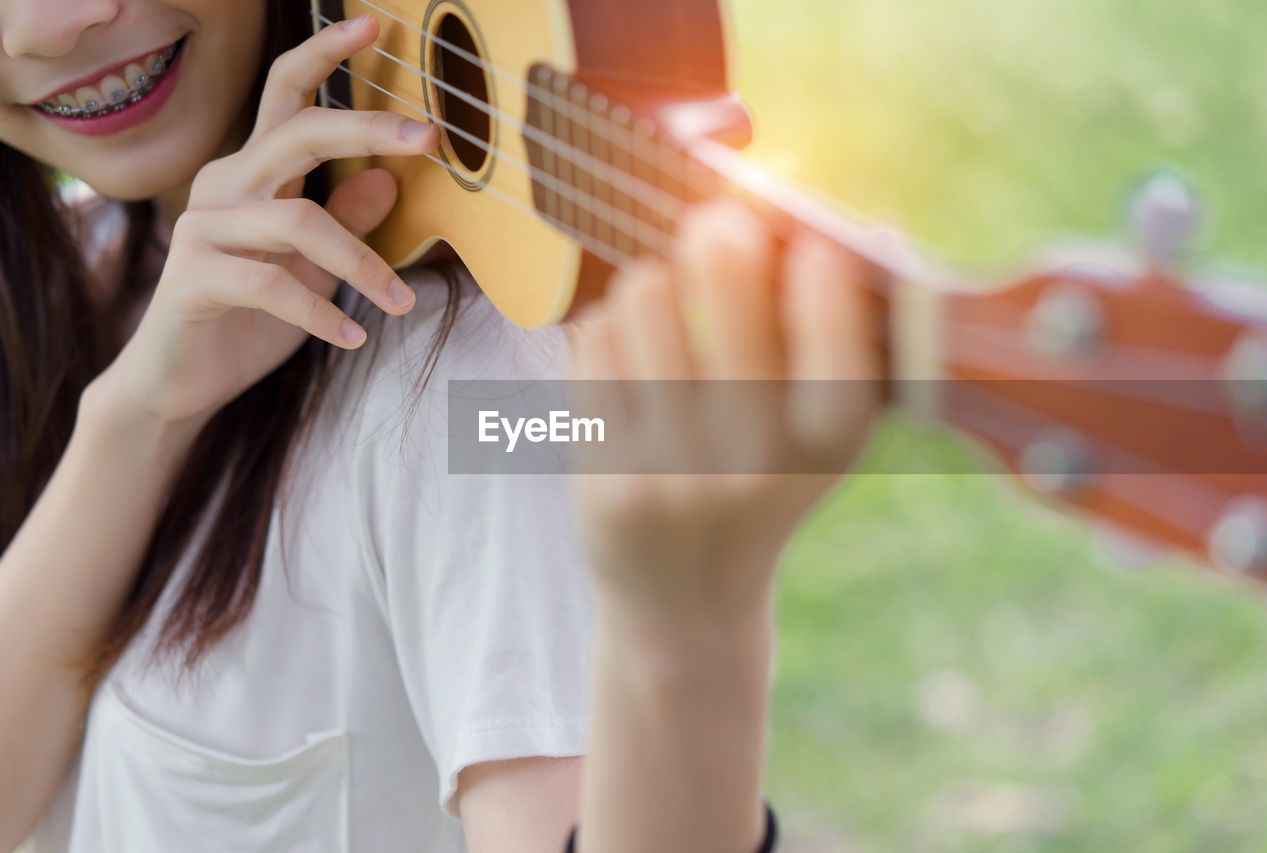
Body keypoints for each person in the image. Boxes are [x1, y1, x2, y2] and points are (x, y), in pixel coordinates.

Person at [0, 1, 877, 851]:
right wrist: (133, 418)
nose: (48, 23)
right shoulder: (74, 270)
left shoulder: (476, 385)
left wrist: (694, 625)